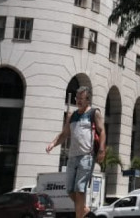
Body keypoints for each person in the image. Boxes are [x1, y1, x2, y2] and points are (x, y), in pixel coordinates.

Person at [45, 87, 105, 218]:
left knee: (79, 189)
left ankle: (80, 215)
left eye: (81, 98)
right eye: (76, 98)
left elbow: (102, 131)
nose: (78, 101)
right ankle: (84, 210)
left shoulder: (94, 113)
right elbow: (65, 133)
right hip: (72, 157)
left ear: (87, 99)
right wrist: (53, 143)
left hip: (86, 156)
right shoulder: (72, 116)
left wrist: (101, 150)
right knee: (70, 190)